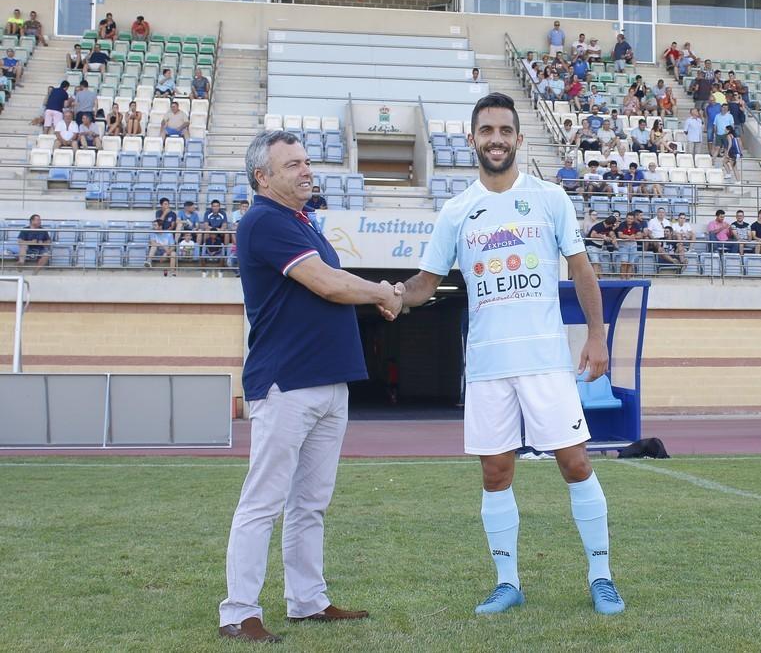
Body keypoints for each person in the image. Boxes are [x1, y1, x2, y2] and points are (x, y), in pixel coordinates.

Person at [393, 92, 624, 617]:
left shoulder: (549, 199)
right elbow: (426, 283)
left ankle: (601, 576)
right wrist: (390, 296)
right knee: (495, 472)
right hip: (489, 367)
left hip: (544, 361)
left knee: (576, 462)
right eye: (486, 131)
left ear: (519, 139)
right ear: (472, 139)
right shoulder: (456, 211)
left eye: (504, 130)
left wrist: (596, 335)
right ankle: (507, 583)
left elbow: (581, 269)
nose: (495, 139)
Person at [219, 130, 402, 643]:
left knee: (310, 502)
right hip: (286, 383)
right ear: (264, 177)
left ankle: (307, 601)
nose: (306, 170)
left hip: (326, 381)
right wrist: (385, 292)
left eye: (306, 161)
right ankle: (238, 612)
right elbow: (327, 283)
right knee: (264, 502)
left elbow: (331, 282)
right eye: (292, 164)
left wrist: (377, 293)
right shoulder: (263, 220)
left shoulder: (301, 222)